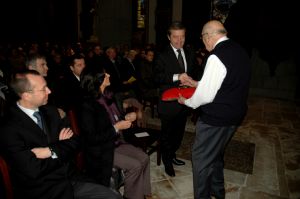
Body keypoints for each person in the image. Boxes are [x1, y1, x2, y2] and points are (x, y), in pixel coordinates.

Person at [0, 70, 121, 199]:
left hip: (71, 178)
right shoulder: (7, 128)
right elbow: (32, 170)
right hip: (43, 190)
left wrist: (50, 150)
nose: (49, 91)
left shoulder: (51, 111)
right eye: (43, 89)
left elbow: (75, 142)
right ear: (26, 95)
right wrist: (60, 147)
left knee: (113, 196)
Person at [178, 20, 251, 199]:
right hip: (235, 115)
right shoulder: (239, 50)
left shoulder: (216, 56)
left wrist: (186, 101)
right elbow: (226, 84)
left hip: (216, 119)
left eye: (203, 38)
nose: (203, 43)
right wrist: (196, 83)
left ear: (209, 36)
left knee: (201, 160)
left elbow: (205, 96)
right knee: (216, 154)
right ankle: (218, 193)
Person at [79, 72, 152, 199]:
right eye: (104, 74)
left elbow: (115, 118)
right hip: (102, 150)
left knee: (144, 158)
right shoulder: (87, 105)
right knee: (135, 166)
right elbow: (91, 138)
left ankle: (145, 193)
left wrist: (127, 117)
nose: (108, 74)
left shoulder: (107, 96)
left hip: (117, 142)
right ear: (98, 80)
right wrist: (116, 127)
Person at [153, 21, 197, 176]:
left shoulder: (190, 52)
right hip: (168, 103)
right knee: (167, 135)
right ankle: (167, 161)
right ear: (169, 37)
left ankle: (172, 155)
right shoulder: (161, 54)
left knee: (178, 134)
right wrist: (177, 76)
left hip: (184, 101)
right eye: (176, 37)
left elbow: (193, 73)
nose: (179, 41)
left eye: (182, 37)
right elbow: (156, 78)